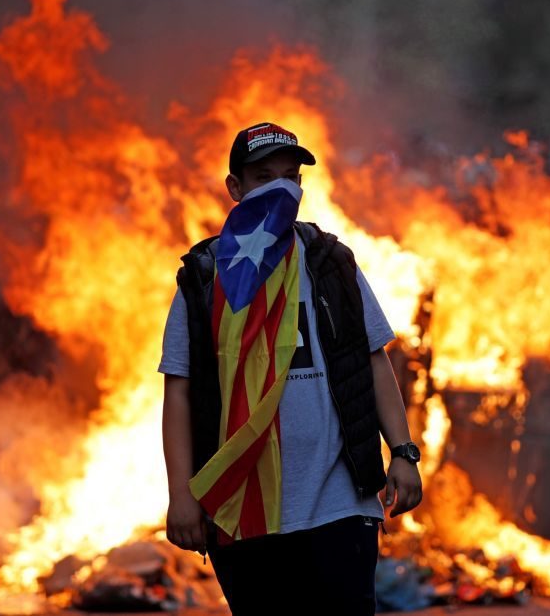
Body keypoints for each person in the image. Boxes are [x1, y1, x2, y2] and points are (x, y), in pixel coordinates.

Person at [159, 122, 422, 616]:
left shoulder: (330, 263)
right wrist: (181, 496)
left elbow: (373, 359)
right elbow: (180, 392)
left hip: (340, 505)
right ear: (235, 188)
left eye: (291, 177)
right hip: (243, 509)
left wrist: (403, 452)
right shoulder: (204, 275)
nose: (281, 188)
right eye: (263, 177)